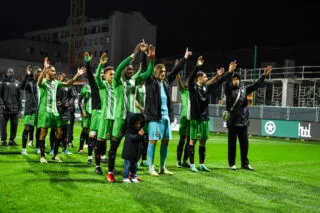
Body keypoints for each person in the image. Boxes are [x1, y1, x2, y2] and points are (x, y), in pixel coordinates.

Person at [106, 41, 154, 183]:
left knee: (134, 149)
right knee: (114, 147)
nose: (131, 71)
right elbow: (120, 66)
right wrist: (134, 53)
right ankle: (110, 172)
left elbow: (148, 73)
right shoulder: (117, 81)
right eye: (128, 69)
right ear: (123, 71)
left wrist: (151, 59)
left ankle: (132, 173)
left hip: (132, 121)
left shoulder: (134, 81)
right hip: (120, 119)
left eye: (132, 69)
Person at [145, 48, 192, 176]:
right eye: (161, 71)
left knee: (165, 141)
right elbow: (146, 70)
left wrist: (185, 58)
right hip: (155, 117)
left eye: (165, 71)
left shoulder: (165, 82)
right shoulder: (150, 81)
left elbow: (176, 70)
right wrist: (150, 58)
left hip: (165, 117)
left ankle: (162, 167)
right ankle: (151, 167)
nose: (164, 73)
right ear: (155, 72)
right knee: (153, 141)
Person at [188, 56, 234, 172]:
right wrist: (197, 66)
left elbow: (219, 81)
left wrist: (230, 72)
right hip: (196, 119)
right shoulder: (192, 88)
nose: (206, 78)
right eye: (204, 77)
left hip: (204, 119)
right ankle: (192, 164)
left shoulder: (206, 88)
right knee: (193, 141)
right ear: (199, 78)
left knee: (203, 142)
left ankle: (201, 164)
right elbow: (190, 79)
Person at [37, 57, 86, 163]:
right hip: (45, 111)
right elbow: (39, 82)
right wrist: (44, 68)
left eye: (55, 71)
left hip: (55, 111)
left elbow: (68, 84)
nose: (55, 73)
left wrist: (77, 75)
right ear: (47, 72)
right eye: (53, 71)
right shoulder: (44, 82)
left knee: (59, 132)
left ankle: (55, 154)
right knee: (43, 133)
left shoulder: (56, 83)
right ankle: (42, 156)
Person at [224, 64, 272, 170]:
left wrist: (263, 75)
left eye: (237, 79)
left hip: (243, 122)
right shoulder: (228, 91)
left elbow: (256, 85)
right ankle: (232, 164)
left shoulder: (244, 90)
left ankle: (245, 164)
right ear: (232, 81)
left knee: (245, 145)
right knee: (232, 145)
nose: (236, 81)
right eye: (234, 79)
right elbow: (226, 83)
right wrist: (229, 72)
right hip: (232, 122)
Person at [83, 52, 103, 165]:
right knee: (93, 135)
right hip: (96, 112)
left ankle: (101, 156)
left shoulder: (106, 85)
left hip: (105, 113)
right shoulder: (95, 85)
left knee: (102, 137)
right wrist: (87, 63)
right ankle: (90, 157)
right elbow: (90, 75)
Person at [20, 65, 41, 155]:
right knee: (27, 128)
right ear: (35, 73)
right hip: (31, 110)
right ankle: (24, 149)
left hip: (39, 110)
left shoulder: (41, 83)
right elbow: (22, 86)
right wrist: (27, 75)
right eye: (39, 72)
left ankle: (37, 148)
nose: (40, 73)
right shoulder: (29, 82)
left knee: (39, 130)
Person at [121, 112, 145, 183]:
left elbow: (142, 138)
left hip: (136, 153)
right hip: (129, 154)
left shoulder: (138, 131)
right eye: (137, 124)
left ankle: (134, 176)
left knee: (135, 166)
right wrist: (140, 135)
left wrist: (142, 136)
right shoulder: (129, 132)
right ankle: (125, 177)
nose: (138, 125)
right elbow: (133, 138)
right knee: (127, 166)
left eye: (139, 124)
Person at [0, 68, 21, 146]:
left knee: (14, 126)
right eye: (8, 72)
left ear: (13, 73)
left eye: (11, 72)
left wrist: (20, 107)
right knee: (3, 126)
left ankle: (12, 140)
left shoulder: (17, 83)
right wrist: (2, 104)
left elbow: (19, 96)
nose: (9, 73)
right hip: (5, 109)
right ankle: (3, 140)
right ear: (7, 73)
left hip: (15, 109)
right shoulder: (3, 83)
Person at [56, 72, 74, 155]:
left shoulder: (68, 86)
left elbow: (72, 97)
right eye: (59, 75)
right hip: (56, 110)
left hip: (66, 110)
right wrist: (56, 101)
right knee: (55, 130)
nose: (61, 76)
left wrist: (69, 103)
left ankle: (64, 149)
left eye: (62, 75)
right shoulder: (55, 84)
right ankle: (53, 148)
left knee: (65, 129)